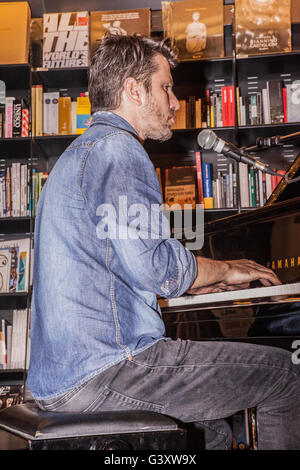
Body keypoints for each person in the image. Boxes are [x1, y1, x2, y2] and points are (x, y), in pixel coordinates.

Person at [27, 35, 300, 450]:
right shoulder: (121, 151)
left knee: (212, 432)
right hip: (110, 370)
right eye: (166, 88)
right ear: (133, 90)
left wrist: (204, 280)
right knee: (287, 376)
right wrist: (226, 267)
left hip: (60, 378)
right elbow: (157, 269)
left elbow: (121, 266)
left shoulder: (76, 156)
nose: (174, 102)